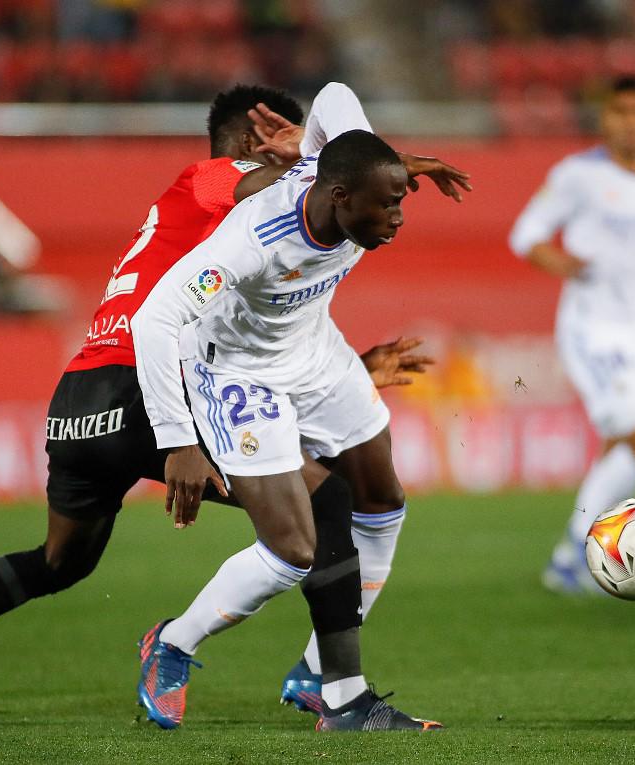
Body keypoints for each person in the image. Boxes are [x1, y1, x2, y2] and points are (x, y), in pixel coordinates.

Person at [0, 83, 460, 730]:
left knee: (59, 561)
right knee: (321, 509)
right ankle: (302, 678)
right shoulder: (225, 178)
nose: (301, 154)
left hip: (81, 393)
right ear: (249, 143)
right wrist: (304, 159)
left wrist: (344, 368)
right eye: (284, 140)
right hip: (146, 386)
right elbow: (283, 204)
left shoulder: (198, 205)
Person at [132, 85, 466, 730]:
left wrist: (397, 163)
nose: (398, 217)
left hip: (315, 355)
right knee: (293, 550)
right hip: (237, 375)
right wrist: (179, 441)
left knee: (382, 500)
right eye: (389, 204)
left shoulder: (341, 172)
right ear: (340, 198)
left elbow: (338, 96)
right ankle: (170, 644)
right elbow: (157, 320)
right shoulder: (257, 237)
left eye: (400, 201)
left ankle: (326, 681)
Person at [508, 76, 635, 594]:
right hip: (591, 328)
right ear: (605, 120)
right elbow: (525, 234)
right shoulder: (578, 175)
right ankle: (582, 549)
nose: (632, 120)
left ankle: (567, 558)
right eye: (622, 111)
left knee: (630, 445)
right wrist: (561, 262)